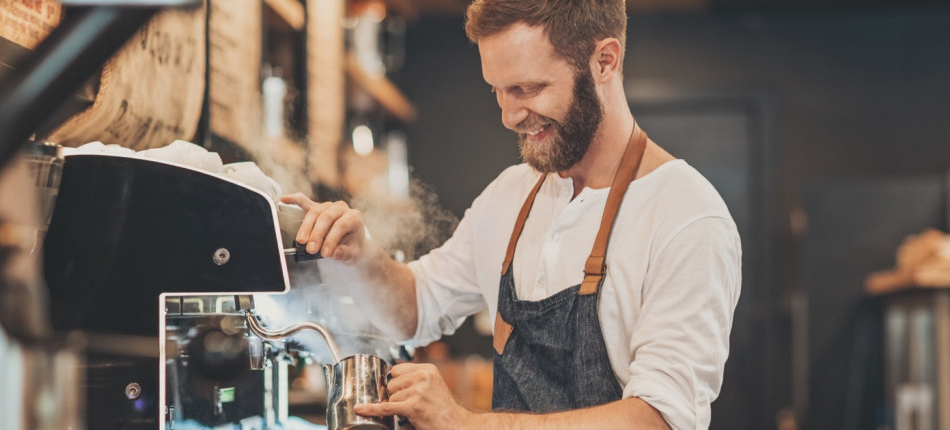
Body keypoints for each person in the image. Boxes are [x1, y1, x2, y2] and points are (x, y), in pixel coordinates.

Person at [280, 1, 741, 428]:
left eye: (528, 88)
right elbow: (417, 308)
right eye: (498, 90)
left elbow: (657, 420)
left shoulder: (687, 217)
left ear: (605, 61)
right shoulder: (511, 194)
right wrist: (361, 257)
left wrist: (464, 423)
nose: (508, 114)